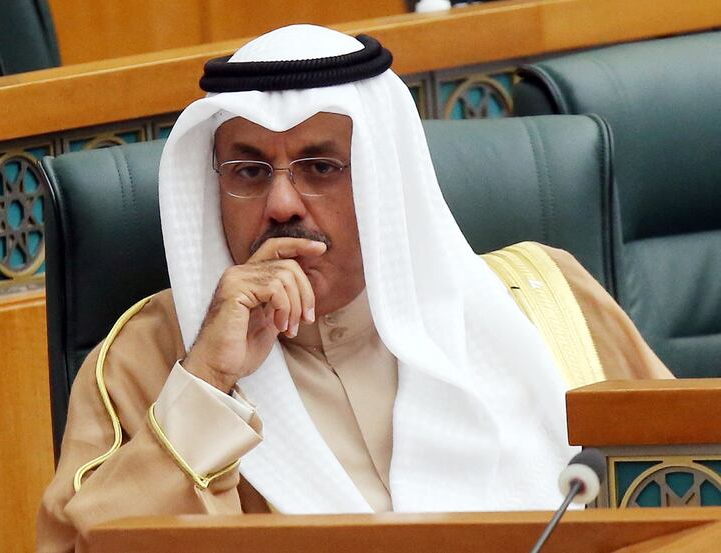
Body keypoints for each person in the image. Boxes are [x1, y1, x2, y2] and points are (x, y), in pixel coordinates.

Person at [37, 25, 671, 552]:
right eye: (250, 172)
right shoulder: (151, 356)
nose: (282, 203)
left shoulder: (545, 298)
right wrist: (207, 384)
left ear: (383, 180)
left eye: (321, 167)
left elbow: (688, 482)